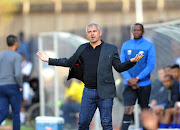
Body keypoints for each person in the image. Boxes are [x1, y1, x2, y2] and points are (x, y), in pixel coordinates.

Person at [36, 23, 143, 130]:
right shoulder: (82, 49)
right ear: (86, 35)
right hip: (89, 92)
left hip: (105, 92)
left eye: (94, 31)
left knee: (106, 124)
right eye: (89, 32)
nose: (92, 34)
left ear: (100, 33)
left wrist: (131, 62)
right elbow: (69, 62)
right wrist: (49, 60)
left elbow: (119, 67)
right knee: (82, 123)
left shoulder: (110, 49)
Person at [120, 23, 156, 130]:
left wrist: (137, 78)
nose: (136, 32)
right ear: (132, 31)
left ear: (143, 31)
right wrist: (129, 79)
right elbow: (122, 63)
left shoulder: (148, 46)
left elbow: (150, 65)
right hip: (129, 84)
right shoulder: (126, 45)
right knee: (128, 109)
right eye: (134, 30)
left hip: (144, 84)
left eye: (138, 30)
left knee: (144, 110)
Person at [0, 35, 23, 130]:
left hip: (1, 86)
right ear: (16, 43)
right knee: (16, 114)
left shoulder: (1, 55)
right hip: (13, 86)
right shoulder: (17, 56)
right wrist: (20, 85)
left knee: (3, 112)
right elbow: (17, 74)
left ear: (7, 44)